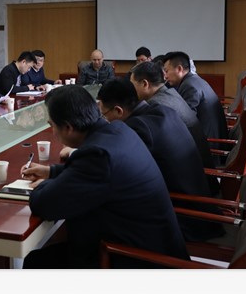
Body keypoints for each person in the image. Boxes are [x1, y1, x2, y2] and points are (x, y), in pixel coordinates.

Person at [20, 86, 189, 268]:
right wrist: (51, 172)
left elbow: (44, 204)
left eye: (52, 125)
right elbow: (98, 176)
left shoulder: (97, 156)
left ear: (68, 127)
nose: (52, 131)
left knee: (35, 262)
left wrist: (46, 184)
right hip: (153, 244)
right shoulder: (117, 130)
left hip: (138, 260)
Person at [97, 79, 223, 239]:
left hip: (184, 217)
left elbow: (120, 172)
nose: (105, 120)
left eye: (103, 115)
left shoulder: (138, 127)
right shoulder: (162, 110)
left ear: (118, 111)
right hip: (201, 204)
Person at [130, 60, 213, 170]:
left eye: (132, 85)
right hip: (197, 163)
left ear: (145, 84)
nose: (130, 90)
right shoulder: (171, 93)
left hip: (192, 169)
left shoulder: (156, 106)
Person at [162, 51, 228, 142]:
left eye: (166, 71)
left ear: (179, 69)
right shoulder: (194, 80)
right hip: (213, 137)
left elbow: (185, 121)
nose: (165, 76)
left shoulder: (189, 86)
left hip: (209, 143)